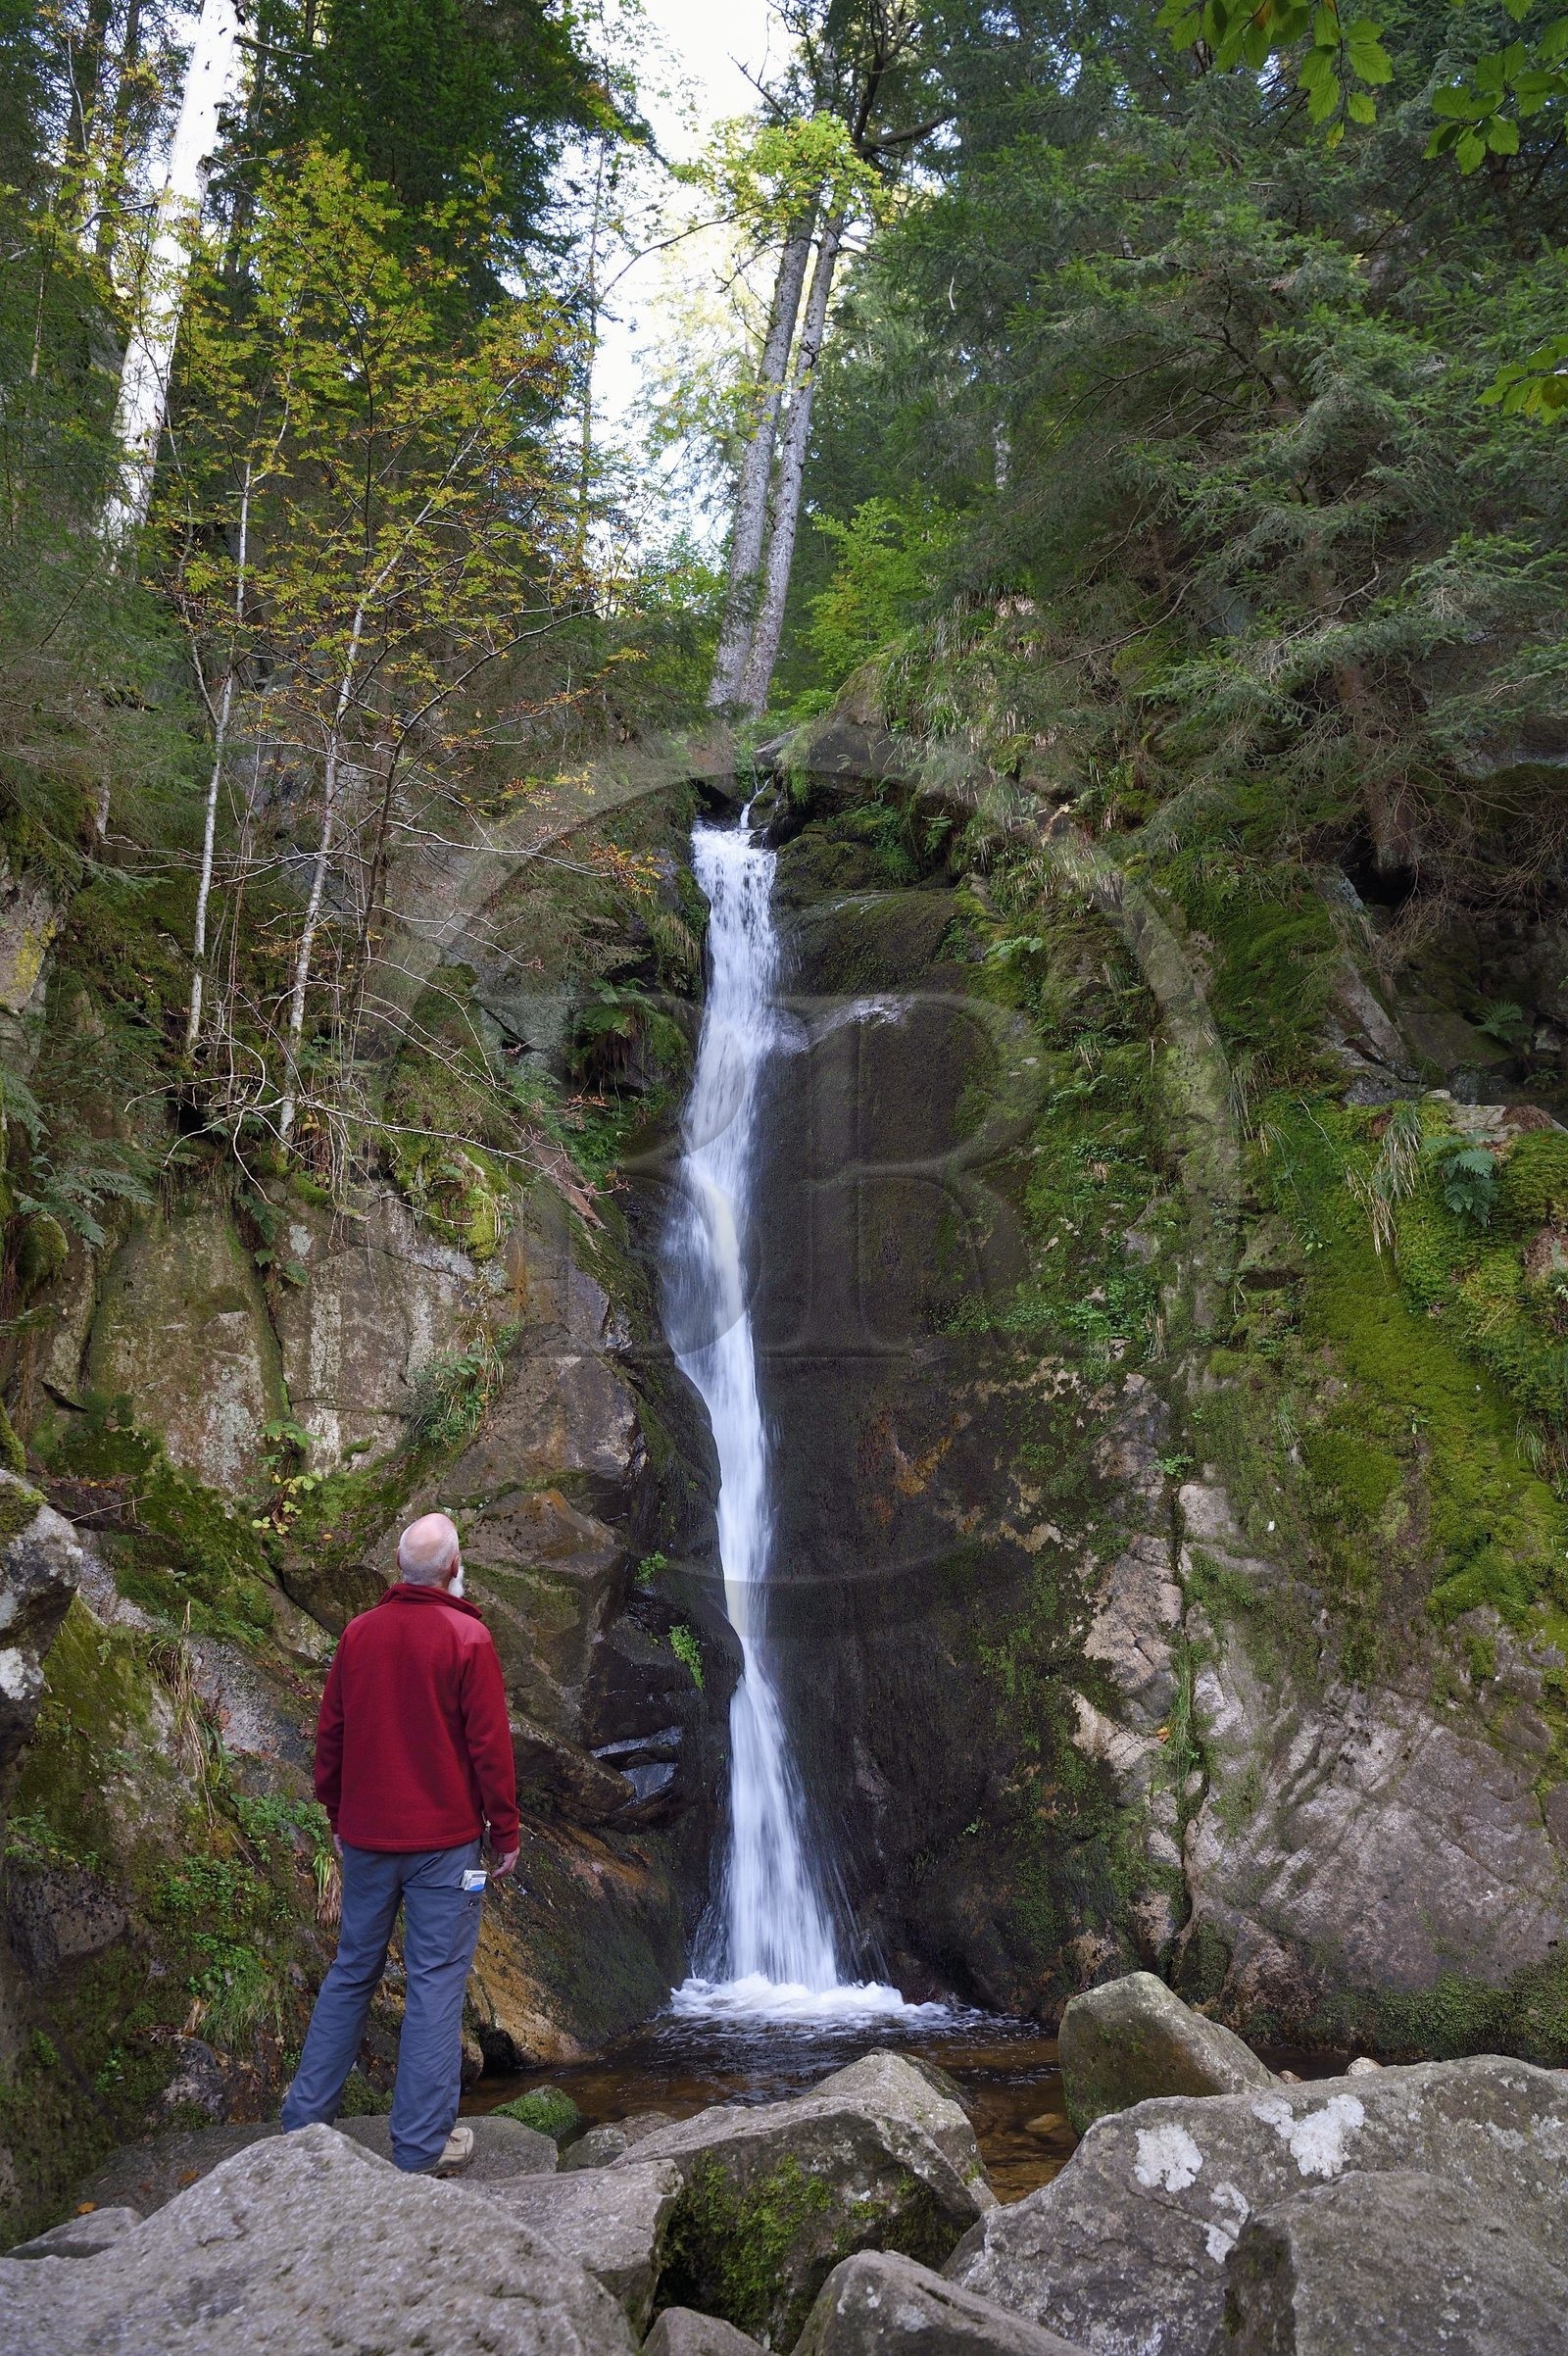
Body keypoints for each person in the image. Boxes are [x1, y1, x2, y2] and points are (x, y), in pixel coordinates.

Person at [280, 1511, 520, 2173]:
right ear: (453, 1568)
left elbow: (332, 1731)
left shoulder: (360, 1633)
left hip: (364, 1841)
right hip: (446, 1850)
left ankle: (304, 2126)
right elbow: (490, 1750)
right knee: (437, 1984)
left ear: (398, 1565)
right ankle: (420, 2148)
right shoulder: (466, 1638)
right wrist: (506, 1832)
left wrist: (334, 1807)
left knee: (352, 1970)